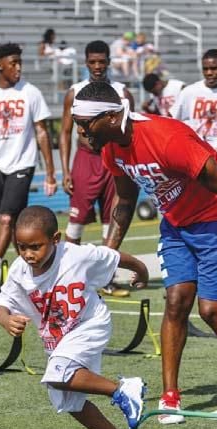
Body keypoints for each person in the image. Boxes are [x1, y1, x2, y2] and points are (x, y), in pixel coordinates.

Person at [71, 81, 217, 423]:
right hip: (176, 223)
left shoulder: (167, 137)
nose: (80, 130)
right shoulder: (110, 149)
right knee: (176, 301)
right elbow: (124, 201)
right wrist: (108, 256)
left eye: (84, 123)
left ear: (109, 117)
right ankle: (170, 398)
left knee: (211, 309)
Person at [0, 205, 148, 429]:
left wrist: (141, 270)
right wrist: (6, 319)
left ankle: (123, 389)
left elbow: (114, 256)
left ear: (56, 239)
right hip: (58, 338)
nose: (28, 254)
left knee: (58, 373)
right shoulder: (20, 270)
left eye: (35, 247)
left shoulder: (78, 255)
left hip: (90, 324)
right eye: (21, 247)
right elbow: (1, 302)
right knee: (68, 401)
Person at [0, 43, 57, 295]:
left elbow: (42, 133)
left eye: (20, 62)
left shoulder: (31, 93)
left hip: (22, 164)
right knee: (11, 222)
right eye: (13, 63)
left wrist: (50, 173)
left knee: (6, 219)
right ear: (0, 65)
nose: (18, 67)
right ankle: (36, 276)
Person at [58, 40, 135, 297]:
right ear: (86, 63)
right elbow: (65, 132)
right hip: (85, 161)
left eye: (102, 61)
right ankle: (66, 278)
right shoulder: (75, 91)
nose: (98, 66)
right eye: (93, 62)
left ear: (109, 62)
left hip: (112, 162)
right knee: (76, 222)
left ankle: (106, 278)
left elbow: (130, 132)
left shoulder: (122, 92)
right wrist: (65, 171)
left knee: (110, 220)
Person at [170, 49, 217, 160]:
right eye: (205, 69)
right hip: (198, 158)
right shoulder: (190, 91)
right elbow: (172, 121)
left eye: (214, 68)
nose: (209, 73)